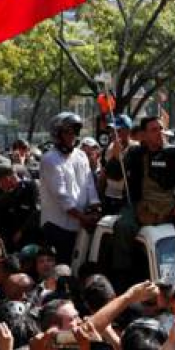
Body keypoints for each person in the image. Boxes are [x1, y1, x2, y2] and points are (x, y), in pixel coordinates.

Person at [118, 116, 175, 275]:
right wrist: (115, 156)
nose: (159, 133)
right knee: (123, 226)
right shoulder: (134, 153)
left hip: (170, 205)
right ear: (143, 135)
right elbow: (115, 174)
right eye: (153, 130)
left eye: (160, 129)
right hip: (140, 205)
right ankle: (124, 272)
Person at [39, 112, 101, 264]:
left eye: (75, 131)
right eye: (67, 131)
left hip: (80, 226)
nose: (72, 135)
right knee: (60, 269)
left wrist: (95, 208)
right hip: (57, 226)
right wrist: (83, 218)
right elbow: (62, 196)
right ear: (57, 133)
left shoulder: (81, 156)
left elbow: (89, 185)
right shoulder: (50, 159)